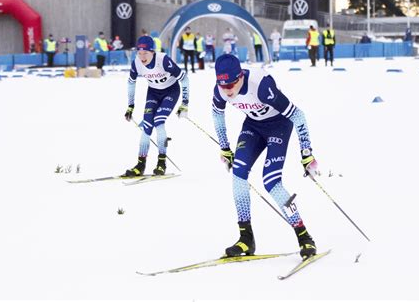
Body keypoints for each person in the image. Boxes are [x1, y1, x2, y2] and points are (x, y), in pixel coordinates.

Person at [212, 54, 319, 260]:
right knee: (238, 174)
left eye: (231, 84)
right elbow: (217, 115)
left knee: (271, 182)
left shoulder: (261, 85)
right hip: (253, 126)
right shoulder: (221, 89)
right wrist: (225, 148)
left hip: (278, 126)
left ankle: (304, 236)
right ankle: (246, 238)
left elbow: (298, 115)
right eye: (222, 85)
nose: (227, 90)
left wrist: (306, 153)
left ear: (241, 76)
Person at [123, 36, 190, 176]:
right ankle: (140, 165)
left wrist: (185, 103)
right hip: (153, 93)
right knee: (147, 125)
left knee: (158, 122)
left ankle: (161, 163)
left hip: (171, 91)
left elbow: (184, 78)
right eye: (139, 53)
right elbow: (131, 83)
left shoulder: (163, 60)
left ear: (152, 52)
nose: (142, 56)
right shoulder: (136, 63)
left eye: (145, 53)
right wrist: (130, 106)